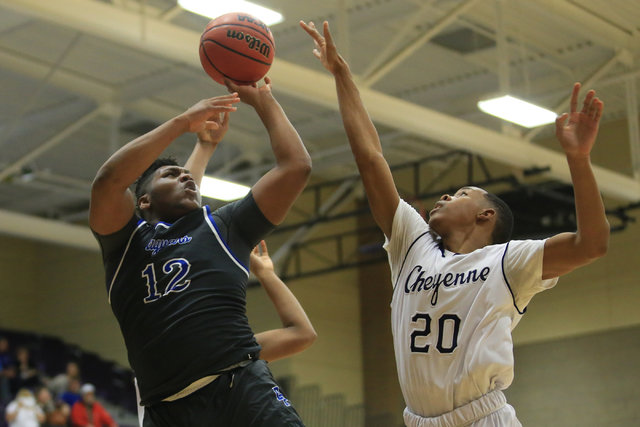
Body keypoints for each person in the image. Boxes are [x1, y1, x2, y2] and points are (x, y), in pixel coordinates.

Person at [301, 20, 609, 427]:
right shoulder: (414, 246)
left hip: (484, 418)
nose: (445, 196)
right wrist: (342, 77)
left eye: (461, 193)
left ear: (487, 215)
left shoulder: (508, 261)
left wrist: (579, 160)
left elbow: (592, 245)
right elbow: (371, 158)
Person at [90, 79, 311, 427]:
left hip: (241, 387)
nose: (186, 178)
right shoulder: (125, 243)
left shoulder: (224, 227)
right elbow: (108, 181)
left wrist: (264, 100)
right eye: (170, 174)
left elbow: (295, 167)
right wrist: (183, 123)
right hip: (168, 410)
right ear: (143, 200)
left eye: (186, 175)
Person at [250, 240, 317, 363]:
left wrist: (265, 273)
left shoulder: (228, 351)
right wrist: (265, 273)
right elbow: (302, 335)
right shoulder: (221, 355)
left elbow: (303, 335)